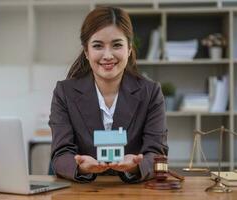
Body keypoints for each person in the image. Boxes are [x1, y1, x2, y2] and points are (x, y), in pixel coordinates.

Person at [49, 6, 168, 183]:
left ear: (129, 49)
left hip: (134, 190)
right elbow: (60, 155)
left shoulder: (151, 92)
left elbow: (158, 155)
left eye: (117, 45)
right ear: (87, 52)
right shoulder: (64, 92)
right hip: (82, 190)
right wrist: (80, 166)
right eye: (97, 46)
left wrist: (136, 166)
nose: (107, 55)